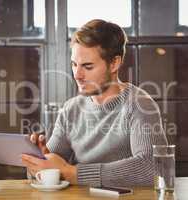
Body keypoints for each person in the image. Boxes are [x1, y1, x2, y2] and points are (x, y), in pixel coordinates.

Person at [21, 19, 167, 187]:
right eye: (74, 64)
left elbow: (152, 168)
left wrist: (71, 173)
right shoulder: (71, 109)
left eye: (88, 66)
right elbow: (50, 166)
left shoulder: (139, 105)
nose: (77, 74)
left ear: (114, 63)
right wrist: (40, 162)